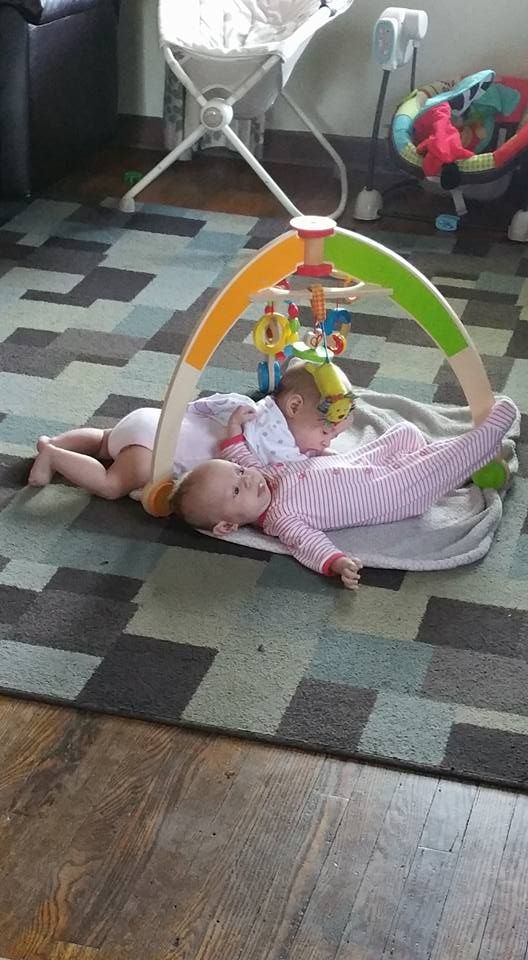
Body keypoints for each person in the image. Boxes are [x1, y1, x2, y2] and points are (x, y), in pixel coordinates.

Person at [169, 398, 518, 591]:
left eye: (241, 475)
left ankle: (470, 468)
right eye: (235, 489)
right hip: (391, 494)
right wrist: (336, 563)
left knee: (404, 433)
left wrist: (233, 433)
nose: (247, 479)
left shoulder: (265, 475)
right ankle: (482, 440)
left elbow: (240, 457)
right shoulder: (281, 519)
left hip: (366, 465)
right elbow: (308, 544)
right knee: (437, 464)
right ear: (227, 526)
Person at [27, 360, 355, 498]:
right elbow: (285, 478)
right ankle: (55, 457)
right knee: (111, 485)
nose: (326, 442)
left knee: (103, 441)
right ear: (294, 406)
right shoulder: (278, 443)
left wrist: (183, 413)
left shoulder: (249, 406)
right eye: (326, 432)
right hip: (156, 452)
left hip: (154, 419)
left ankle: (54, 441)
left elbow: (206, 405)